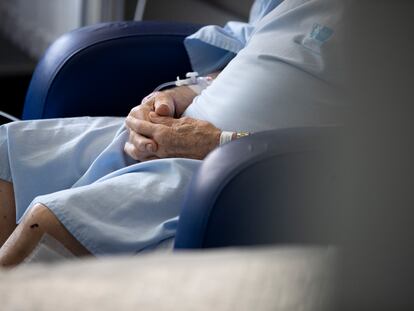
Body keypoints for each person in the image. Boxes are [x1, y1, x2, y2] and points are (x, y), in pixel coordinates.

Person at [0, 0, 344, 267]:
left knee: (48, 223)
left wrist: (217, 144)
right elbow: (252, 51)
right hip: (182, 131)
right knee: (7, 153)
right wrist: (174, 98)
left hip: (249, 167)